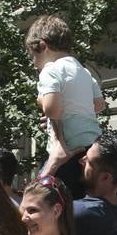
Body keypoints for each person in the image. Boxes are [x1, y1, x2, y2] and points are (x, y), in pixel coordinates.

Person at [28, 14, 104, 199]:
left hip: (66, 149)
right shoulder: (84, 71)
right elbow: (99, 105)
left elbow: (52, 110)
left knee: (53, 199)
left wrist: (42, 100)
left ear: (43, 46)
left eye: (33, 56)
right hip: (92, 147)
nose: (33, 63)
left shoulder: (50, 70)